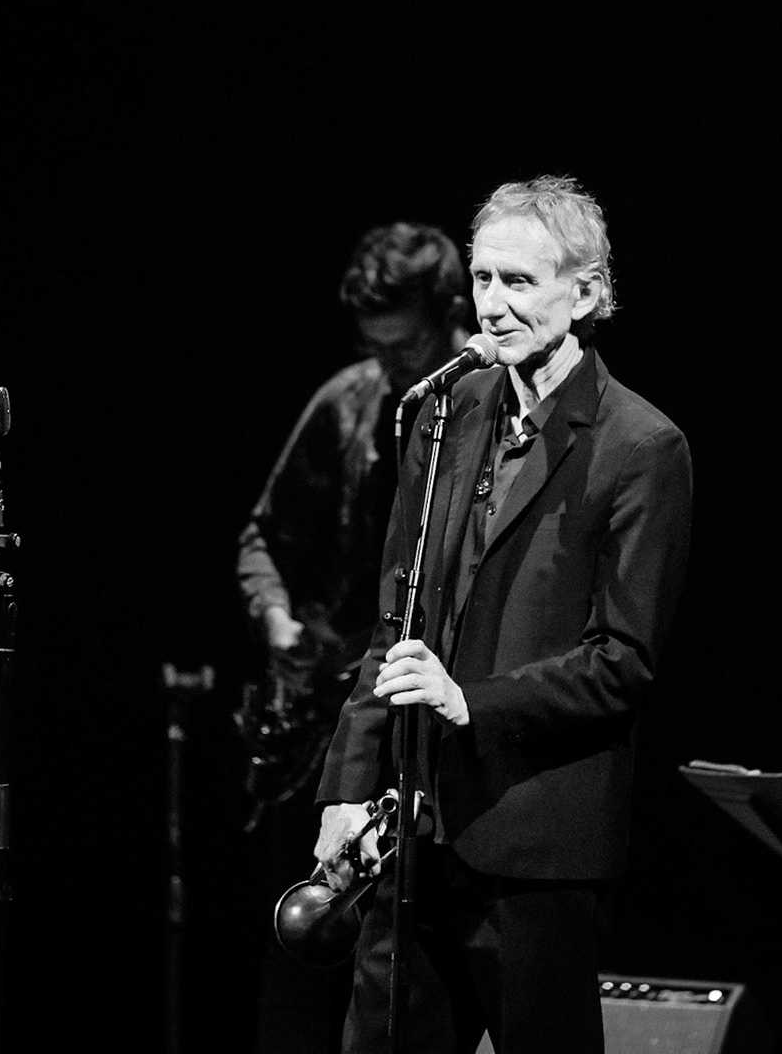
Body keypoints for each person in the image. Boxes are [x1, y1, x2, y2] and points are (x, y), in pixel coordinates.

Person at [310, 175, 695, 1054]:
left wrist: (470, 701)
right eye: (483, 278)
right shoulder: (445, 415)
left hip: (535, 851)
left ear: (585, 294)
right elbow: (395, 619)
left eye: (519, 281)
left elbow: (623, 661)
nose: (492, 304)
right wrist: (347, 786)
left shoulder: (642, 447)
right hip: (412, 833)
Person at [237, 220, 473, 1054]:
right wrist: (278, 622)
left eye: (406, 348)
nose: (391, 368)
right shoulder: (348, 399)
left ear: (451, 314)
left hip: (428, 725)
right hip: (327, 721)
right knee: (301, 953)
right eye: (377, 348)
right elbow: (262, 536)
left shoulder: (489, 411)